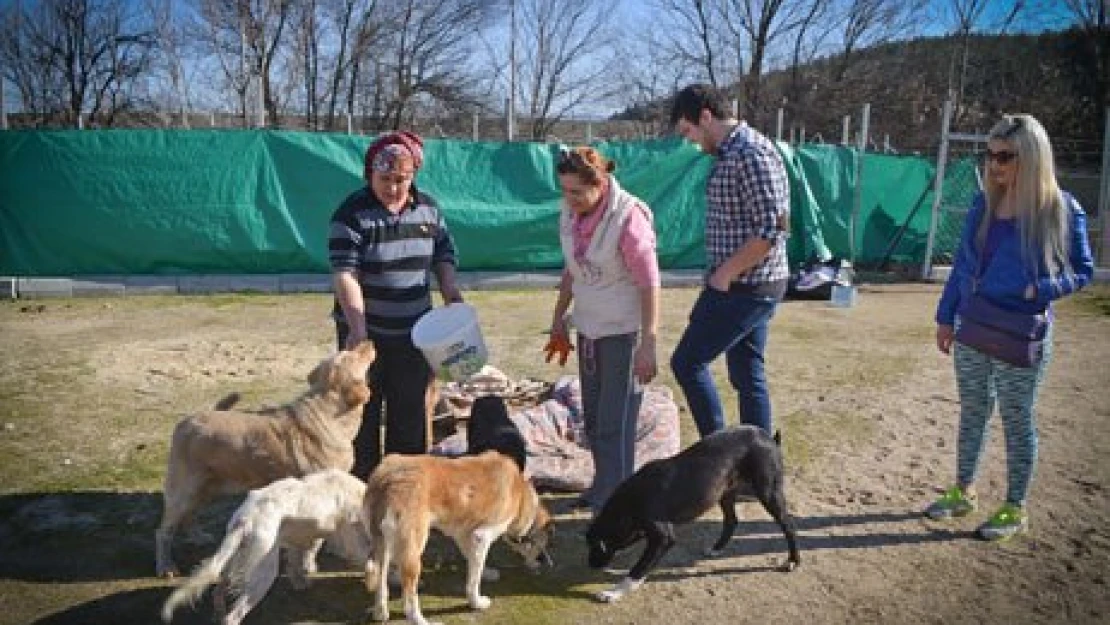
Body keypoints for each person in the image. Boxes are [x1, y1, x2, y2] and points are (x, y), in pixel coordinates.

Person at [926, 114, 1094, 540]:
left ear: (1033, 157)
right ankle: (963, 490)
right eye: (990, 154)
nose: (995, 164)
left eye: (1006, 156)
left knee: (1017, 419)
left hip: (1022, 334)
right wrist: (946, 317)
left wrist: (1039, 290)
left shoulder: (1061, 208)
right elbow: (963, 265)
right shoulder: (985, 203)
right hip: (973, 327)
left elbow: (1083, 271)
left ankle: (1015, 507)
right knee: (972, 412)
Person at [328, 130, 463, 479]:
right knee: (362, 413)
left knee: (410, 416)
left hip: (415, 333)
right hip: (365, 335)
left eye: (401, 180)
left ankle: (404, 487)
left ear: (413, 175)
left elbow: (444, 252)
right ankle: (361, 491)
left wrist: (450, 290)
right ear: (369, 174)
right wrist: (358, 330)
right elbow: (345, 274)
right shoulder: (351, 213)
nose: (392, 188)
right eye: (384, 179)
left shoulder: (429, 209)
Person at [667, 83, 791, 438]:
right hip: (742, 283)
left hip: (747, 286)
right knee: (747, 372)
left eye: (689, 131)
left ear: (706, 116)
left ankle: (718, 457)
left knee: (688, 363)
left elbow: (772, 229)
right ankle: (758, 463)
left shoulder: (751, 154)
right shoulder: (729, 153)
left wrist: (725, 272)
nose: (690, 141)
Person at [546, 146, 661, 516]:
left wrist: (649, 342)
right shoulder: (572, 214)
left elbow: (649, 283)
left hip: (623, 332)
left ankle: (620, 499)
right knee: (594, 418)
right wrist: (559, 318)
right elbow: (572, 269)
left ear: (600, 184)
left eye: (577, 192)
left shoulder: (628, 218)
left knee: (618, 419)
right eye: (564, 191)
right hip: (590, 329)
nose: (570, 199)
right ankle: (604, 486)